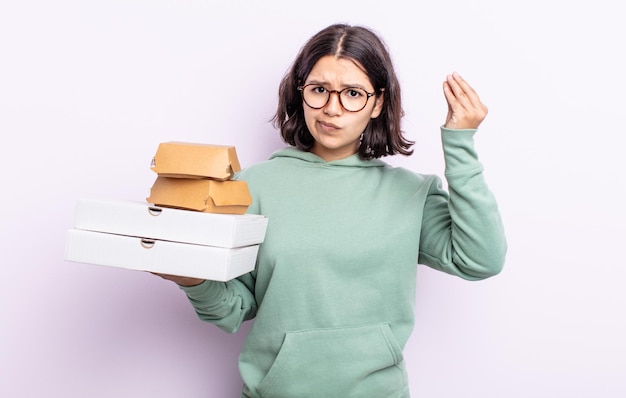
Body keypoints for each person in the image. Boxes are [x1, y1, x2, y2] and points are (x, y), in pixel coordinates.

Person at [156, 23, 507, 398]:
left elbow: (481, 260)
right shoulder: (251, 186)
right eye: (319, 90)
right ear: (300, 92)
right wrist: (190, 280)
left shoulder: (411, 194)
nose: (331, 109)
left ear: (377, 103)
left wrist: (459, 143)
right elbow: (233, 309)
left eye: (353, 93)